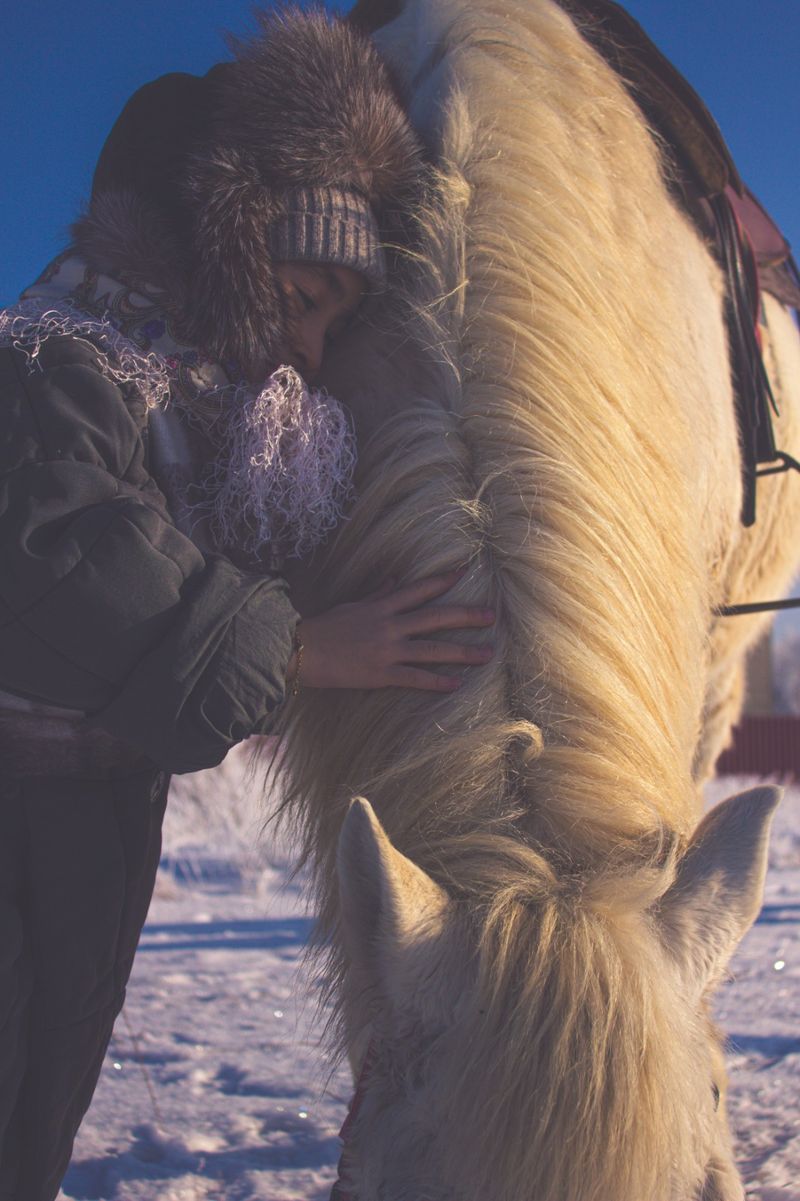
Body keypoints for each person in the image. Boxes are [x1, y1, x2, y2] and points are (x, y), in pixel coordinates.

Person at [0, 8, 495, 1198]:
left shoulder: (178, 385)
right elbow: (57, 548)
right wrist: (300, 649)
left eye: (336, 317)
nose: (314, 346)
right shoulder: (62, 348)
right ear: (230, 237)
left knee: (38, 1102)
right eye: (308, 292)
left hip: (91, 799)